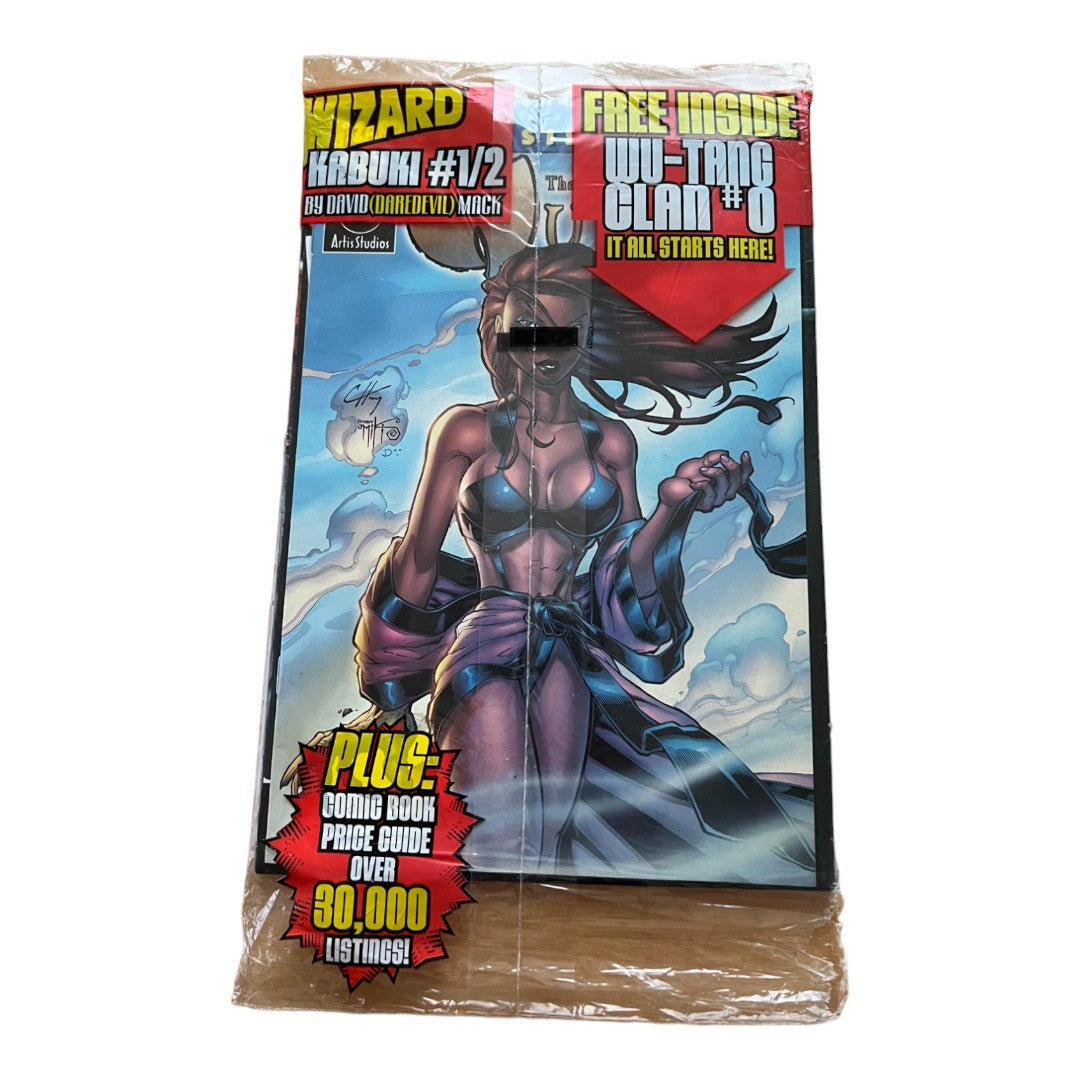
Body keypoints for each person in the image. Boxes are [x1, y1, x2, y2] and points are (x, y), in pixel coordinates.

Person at [354, 242, 815, 884]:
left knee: (551, 833)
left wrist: (673, 507)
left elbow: (622, 576)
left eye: (564, 331)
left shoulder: (611, 442)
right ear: (502, 328)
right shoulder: (466, 431)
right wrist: (388, 689)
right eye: (530, 328)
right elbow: (418, 560)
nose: (546, 349)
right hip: (487, 636)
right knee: (494, 830)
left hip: (572, 649)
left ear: (586, 336)